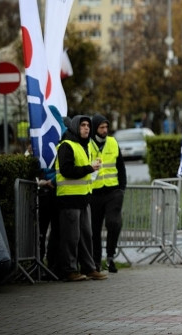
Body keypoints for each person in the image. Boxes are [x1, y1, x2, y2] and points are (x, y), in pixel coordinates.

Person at [54, 115, 107, 282]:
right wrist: (89, 168)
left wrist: (91, 168)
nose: (86, 128)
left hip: (83, 198)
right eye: (83, 125)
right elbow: (66, 170)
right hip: (69, 198)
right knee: (71, 237)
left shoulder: (85, 145)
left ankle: (89, 268)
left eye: (88, 126)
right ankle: (69, 270)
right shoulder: (66, 145)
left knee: (86, 235)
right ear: (76, 127)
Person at [89, 114, 128, 273]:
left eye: (106, 127)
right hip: (94, 193)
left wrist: (121, 188)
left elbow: (121, 167)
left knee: (114, 223)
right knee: (94, 229)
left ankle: (110, 256)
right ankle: (96, 262)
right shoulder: (88, 144)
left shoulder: (112, 142)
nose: (105, 130)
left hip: (113, 192)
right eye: (101, 128)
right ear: (95, 129)